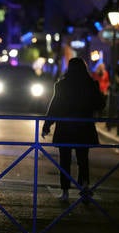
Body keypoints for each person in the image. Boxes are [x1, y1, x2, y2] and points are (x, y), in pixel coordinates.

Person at [42, 57, 105, 202]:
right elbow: (100, 104)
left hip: (65, 127)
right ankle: (84, 187)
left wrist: (47, 125)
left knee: (65, 160)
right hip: (84, 126)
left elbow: (55, 106)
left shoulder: (62, 85)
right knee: (83, 159)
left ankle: (65, 191)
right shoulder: (90, 84)